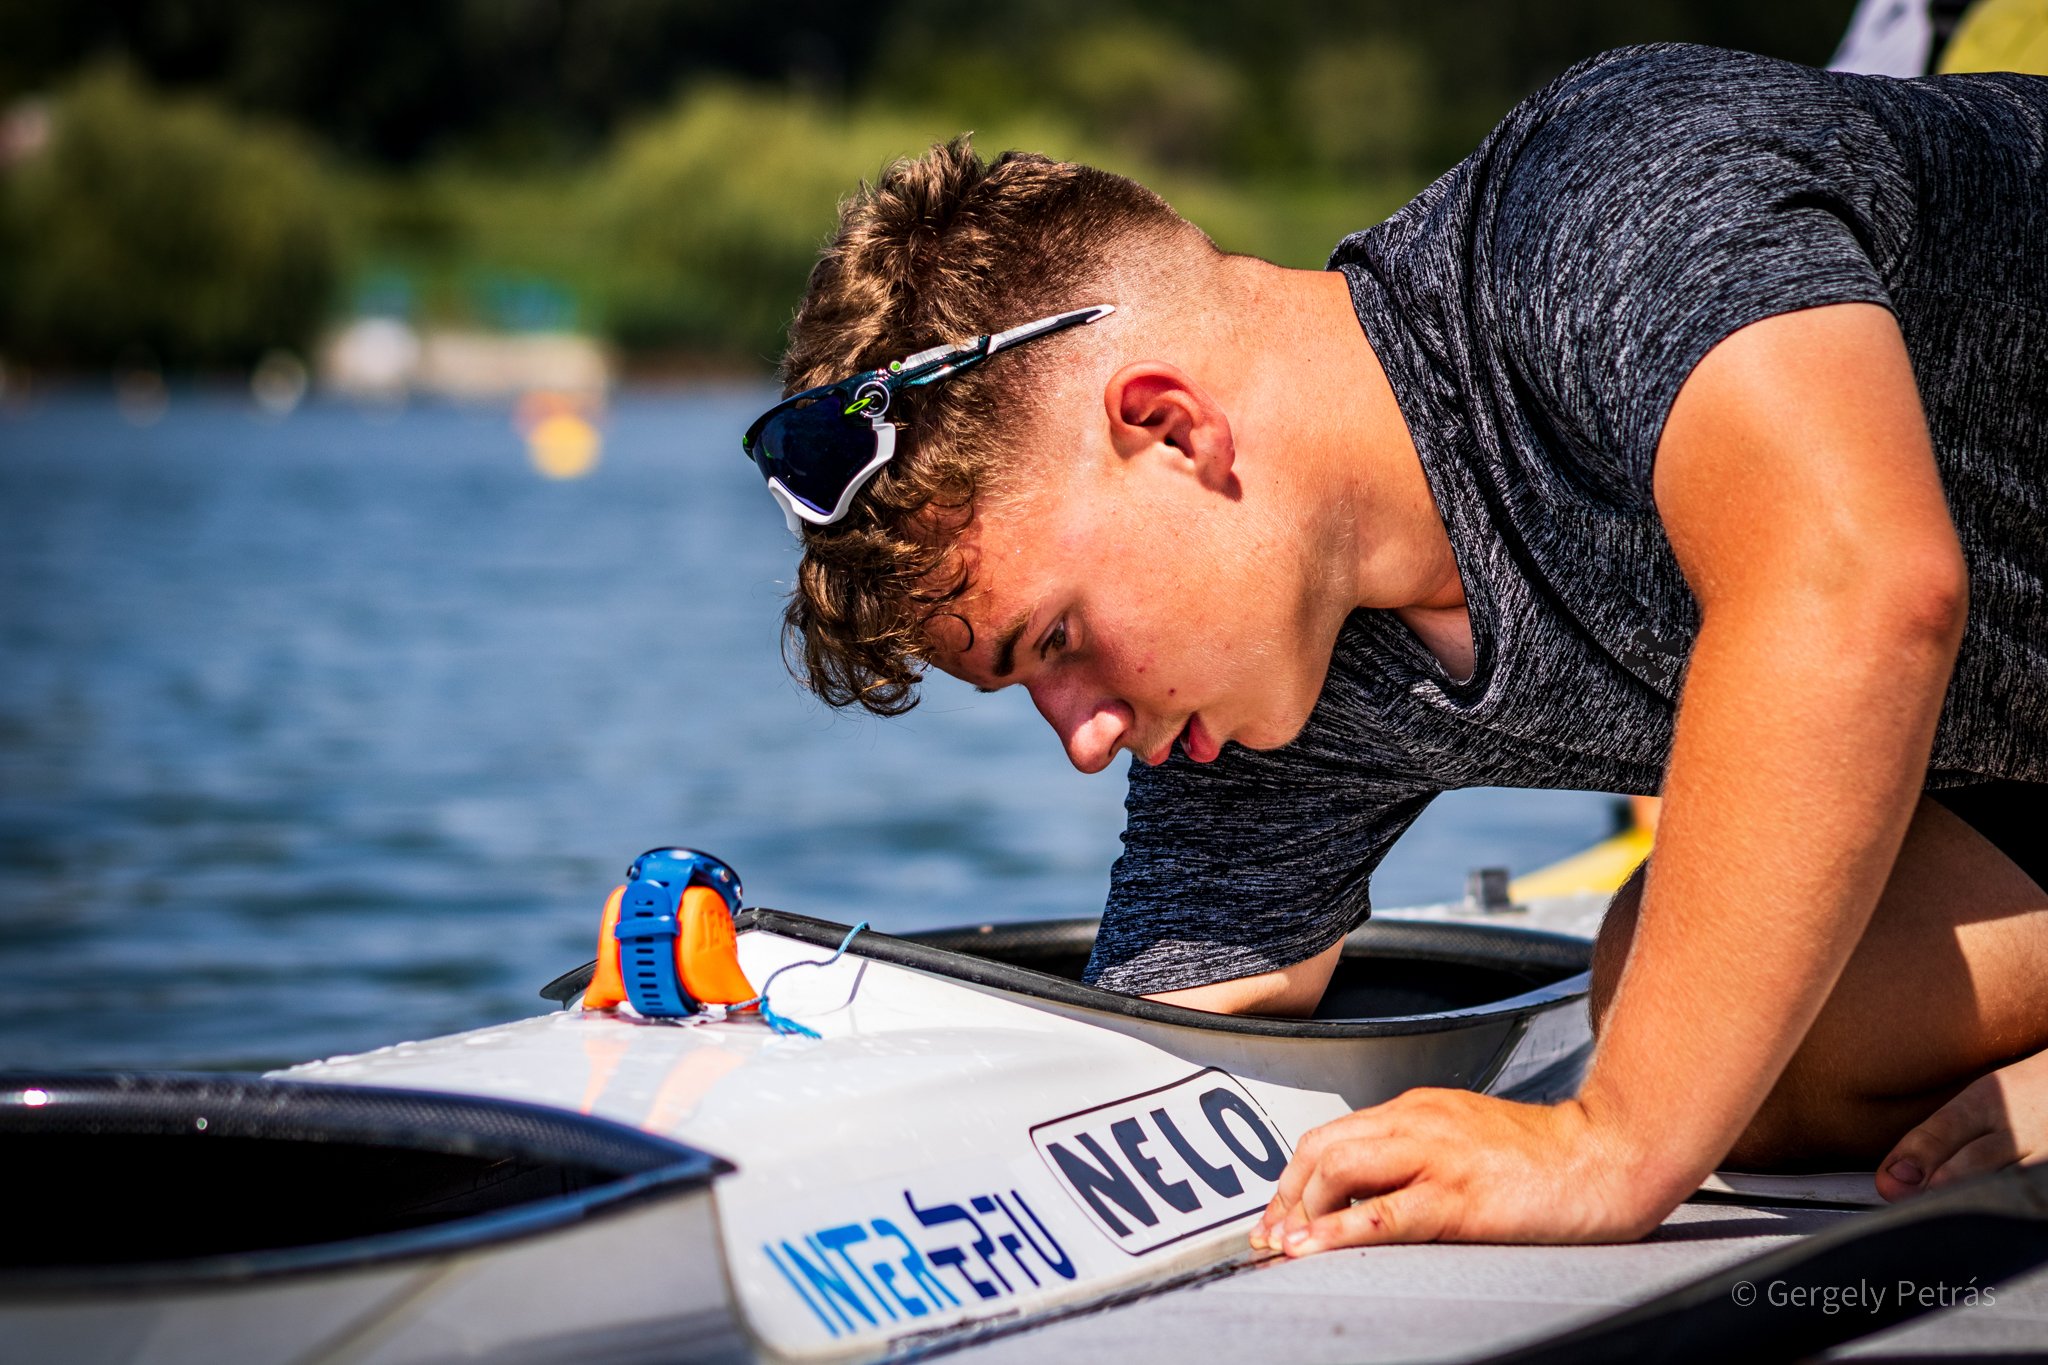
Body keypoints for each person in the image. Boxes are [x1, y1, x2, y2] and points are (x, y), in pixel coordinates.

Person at [742, 43, 2048, 1248]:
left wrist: (1613, 1142)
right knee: (1739, 1026)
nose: (1086, 736)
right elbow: (1145, 1051)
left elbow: (1864, 586)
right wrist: (762, 1099)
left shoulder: (1613, 200)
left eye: (1059, 640)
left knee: (1674, 1054)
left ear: (1173, 428)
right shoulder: (1264, 705)